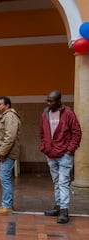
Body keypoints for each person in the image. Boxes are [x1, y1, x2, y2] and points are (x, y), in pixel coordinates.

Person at [40, 90, 81, 224]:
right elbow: (42, 133)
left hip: (64, 155)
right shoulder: (45, 114)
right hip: (50, 154)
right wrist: (43, 147)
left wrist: (70, 150)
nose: (48, 103)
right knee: (56, 182)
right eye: (48, 100)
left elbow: (76, 132)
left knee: (63, 182)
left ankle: (64, 210)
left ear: (59, 101)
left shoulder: (68, 113)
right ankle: (58, 206)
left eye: (51, 101)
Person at [0, 96, 21, 216]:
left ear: (7, 105)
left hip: (7, 153)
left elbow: (10, 137)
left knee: (5, 178)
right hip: (4, 152)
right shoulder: (3, 116)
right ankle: (7, 203)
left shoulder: (10, 116)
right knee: (4, 177)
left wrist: (2, 153)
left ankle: (7, 206)